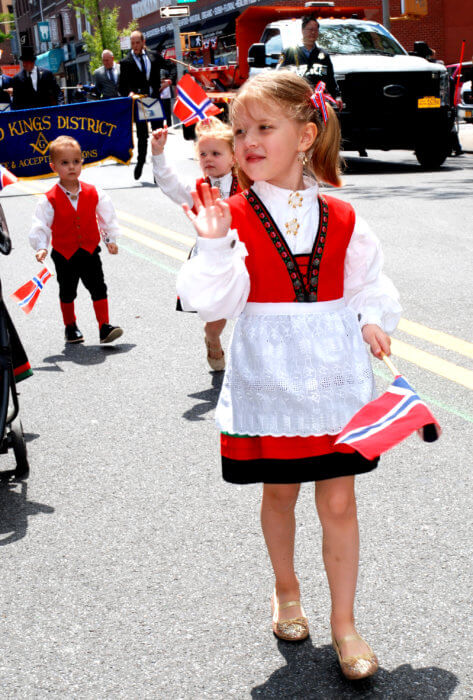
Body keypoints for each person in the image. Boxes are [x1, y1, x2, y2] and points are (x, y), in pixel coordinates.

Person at [177, 71, 402, 680]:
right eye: (240, 130)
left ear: (306, 136)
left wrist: (372, 320)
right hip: (270, 380)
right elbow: (211, 303)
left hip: (335, 378)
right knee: (280, 493)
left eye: (263, 128)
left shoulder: (346, 214)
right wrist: (218, 246)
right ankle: (286, 588)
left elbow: (367, 284)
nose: (247, 141)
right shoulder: (233, 214)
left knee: (339, 500)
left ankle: (345, 623)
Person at [151, 116, 241, 370]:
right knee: (217, 316)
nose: (208, 158)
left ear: (234, 157)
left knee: (257, 311)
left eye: (216, 153)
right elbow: (169, 183)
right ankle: (212, 337)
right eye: (203, 154)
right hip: (213, 260)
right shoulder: (196, 187)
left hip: (248, 256)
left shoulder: (249, 184)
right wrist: (158, 153)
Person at [29, 136, 123, 345]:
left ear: (82, 162)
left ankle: (104, 326)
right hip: (64, 253)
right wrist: (41, 247)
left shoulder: (94, 192)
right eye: (64, 163)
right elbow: (41, 225)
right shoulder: (49, 199)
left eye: (76, 161)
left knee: (98, 286)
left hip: (90, 250)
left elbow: (106, 217)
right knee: (67, 290)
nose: (71, 167)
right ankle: (70, 327)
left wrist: (110, 239)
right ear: (54, 166)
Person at [119, 30, 174, 180]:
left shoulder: (153, 56)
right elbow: (122, 85)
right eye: (132, 43)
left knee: (157, 136)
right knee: (142, 136)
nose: (135, 46)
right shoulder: (126, 62)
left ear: (143, 43)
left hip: (154, 100)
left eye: (137, 42)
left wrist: (169, 80)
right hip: (139, 101)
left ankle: (158, 170)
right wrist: (129, 93)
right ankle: (141, 161)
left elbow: (170, 66)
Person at [278, 14, 343, 110]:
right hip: (297, 103)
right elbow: (279, 77)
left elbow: (330, 80)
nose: (313, 32)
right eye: (310, 29)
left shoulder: (324, 55)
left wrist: (337, 96)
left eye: (316, 30)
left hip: (319, 103)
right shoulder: (289, 52)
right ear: (302, 30)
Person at [11, 46, 62, 110]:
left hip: (47, 112)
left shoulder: (46, 74)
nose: (24, 64)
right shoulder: (17, 78)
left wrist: (61, 106)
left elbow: (57, 91)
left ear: (33, 62)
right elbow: (16, 100)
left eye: (26, 62)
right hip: (29, 116)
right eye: (23, 62)